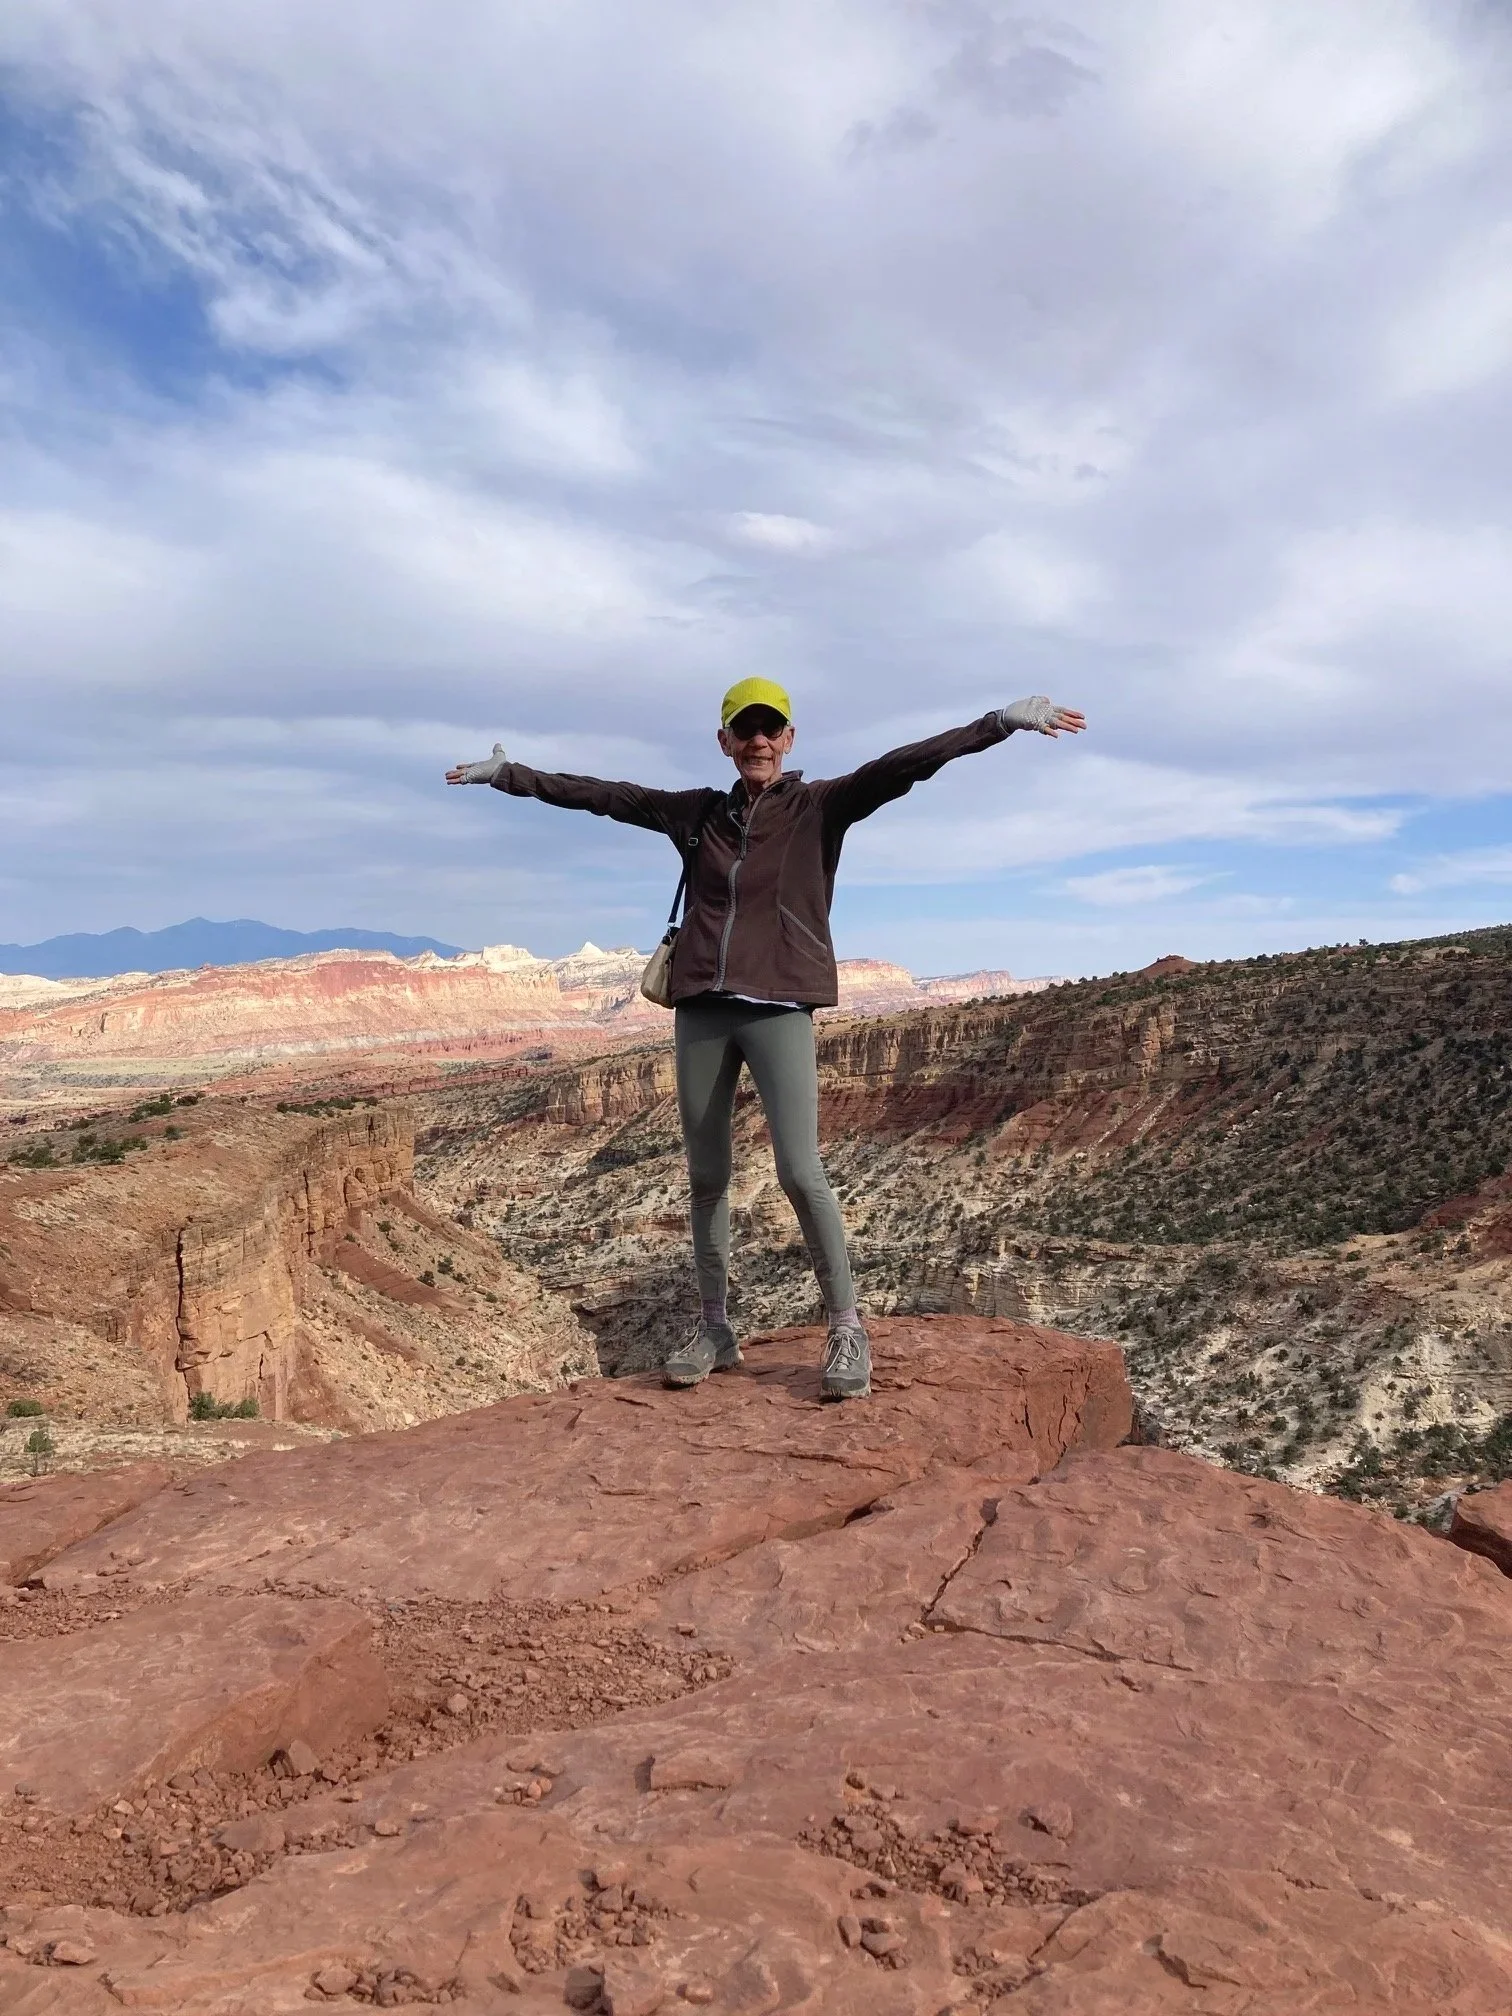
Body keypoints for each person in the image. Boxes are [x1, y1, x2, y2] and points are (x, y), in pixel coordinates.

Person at [447, 682, 1085, 1400]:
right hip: (702, 1010)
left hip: (781, 1006)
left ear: (788, 739)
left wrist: (998, 723)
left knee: (799, 1171)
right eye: (743, 730)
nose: (757, 742)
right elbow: (602, 795)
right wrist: (510, 776)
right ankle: (716, 1328)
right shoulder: (697, 813)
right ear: (724, 741)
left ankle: (845, 1327)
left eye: (769, 730)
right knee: (706, 1175)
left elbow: (906, 764)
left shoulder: (821, 808)